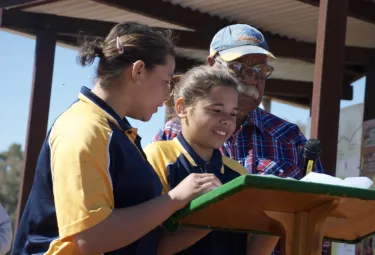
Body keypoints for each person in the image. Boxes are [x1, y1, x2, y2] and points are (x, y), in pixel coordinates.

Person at [12, 21, 221, 255]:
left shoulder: (116, 132)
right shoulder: (84, 128)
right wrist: (174, 198)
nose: (167, 96)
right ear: (138, 70)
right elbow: (90, 237)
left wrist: (213, 214)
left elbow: (144, 240)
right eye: (167, 81)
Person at [153, 24, 330, 253]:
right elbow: (148, 234)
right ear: (211, 66)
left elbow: (321, 229)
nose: (249, 77)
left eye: (260, 69)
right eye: (237, 66)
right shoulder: (169, 139)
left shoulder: (290, 138)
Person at [145, 65, 279, 255]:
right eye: (216, 110)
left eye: (233, 114)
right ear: (182, 108)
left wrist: (275, 223)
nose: (227, 120)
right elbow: (147, 246)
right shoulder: (157, 157)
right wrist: (214, 216)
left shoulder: (238, 174)